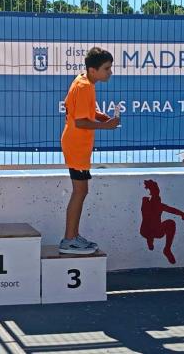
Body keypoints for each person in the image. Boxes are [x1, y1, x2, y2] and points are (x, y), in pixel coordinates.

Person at [59, 47, 120, 254]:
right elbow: (81, 121)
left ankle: (73, 236)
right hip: (76, 146)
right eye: (106, 68)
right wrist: (106, 126)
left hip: (77, 145)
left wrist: (103, 117)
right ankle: (69, 239)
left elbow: (87, 111)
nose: (110, 72)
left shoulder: (85, 81)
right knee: (80, 191)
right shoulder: (84, 86)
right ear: (93, 70)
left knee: (81, 191)